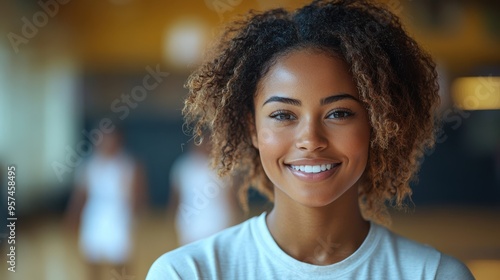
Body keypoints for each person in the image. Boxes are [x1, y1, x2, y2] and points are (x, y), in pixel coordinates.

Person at [147, 0, 475, 279]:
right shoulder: (188, 272)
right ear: (251, 129)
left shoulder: (433, 274)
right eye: (283, 115)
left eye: (339, 113)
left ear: (377, 125)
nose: (311, 139)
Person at [65, 127, 147, 280]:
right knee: (91, 260)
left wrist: (135, 216)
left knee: (121, 262)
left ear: (118, 140)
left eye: (110, 138)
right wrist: (73, 215)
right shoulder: (90, 165)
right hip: (94, 217)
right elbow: (80, 195)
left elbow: (139, 194)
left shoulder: (128, 164)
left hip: (118, 217)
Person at [169, 135, 240, 245]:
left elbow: (231, 198)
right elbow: (176, 198)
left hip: (217, 225)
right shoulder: (184, 166)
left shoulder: (222, 166)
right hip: (193, 227)